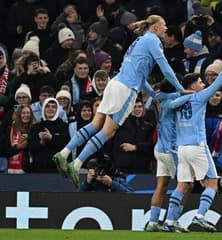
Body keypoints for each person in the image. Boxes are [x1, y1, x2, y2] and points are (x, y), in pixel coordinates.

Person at [53, 15, 185, 188]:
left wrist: (153, 94)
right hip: (126, 89)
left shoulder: (139, 41)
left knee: (96, 123)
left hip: (114, 83)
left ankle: (64, 153)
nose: (166, 29)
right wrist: (180, 88)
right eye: (164, 25)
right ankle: (76, 164)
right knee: (108, 132)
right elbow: (166, 68)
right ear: (155, 28)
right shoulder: (153, 41)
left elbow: (141, 76)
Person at [162, 49, 222, 232]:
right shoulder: (199, 97)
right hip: (197, 146)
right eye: (200, 82)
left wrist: (184, 94)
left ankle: (169, 222)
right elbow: (218, 82)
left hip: (181, 149)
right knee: (212, 183)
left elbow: (168, 105)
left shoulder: (177, 101)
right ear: (193, 86)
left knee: (183, 185)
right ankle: (200, 216)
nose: (204, 84)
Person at [145, 79, 191, 232]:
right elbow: (183, 96)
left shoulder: (159, 97)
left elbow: (150, 89)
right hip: (170, 150)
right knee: (186, 184)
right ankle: (172, 220)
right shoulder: (173, 99)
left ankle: (153, 222)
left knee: (161, 186)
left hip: (159, 149)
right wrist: (191, 92)